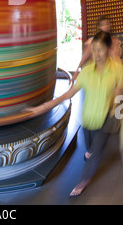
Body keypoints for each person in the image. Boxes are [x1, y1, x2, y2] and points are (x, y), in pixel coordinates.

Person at [24, 31, 123, 197]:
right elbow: (67, 95)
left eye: (101, 49)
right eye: (94, 49)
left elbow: (120, 91)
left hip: (106, 118)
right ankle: (90, 151)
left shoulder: (117, 69)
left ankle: (83, 181)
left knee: (96, 152)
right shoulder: (87, 71)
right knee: (90, 146)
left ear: (107, 49)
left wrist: (116, 103)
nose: (97, 54)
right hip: (88, 119)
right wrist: (43, 108)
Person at [72, 15, 121, 81]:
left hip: (112, 75)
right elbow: (83, 59)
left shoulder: (114, 41)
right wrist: (76, 73)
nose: (105, 26)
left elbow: (117, 60)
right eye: (103, 25)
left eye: (107, 24)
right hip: (96, 76)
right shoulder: (92, 42)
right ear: (99, 27)